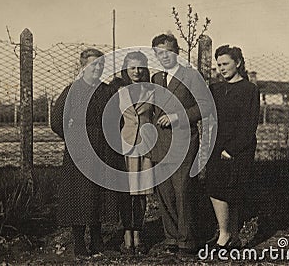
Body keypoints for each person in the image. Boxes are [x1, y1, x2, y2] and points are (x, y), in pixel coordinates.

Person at [51, 48, 124, 257]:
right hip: (80, 151)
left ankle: (97, 238)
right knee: (80, 194)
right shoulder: (72, 91)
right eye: (93, 65)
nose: (97, 69)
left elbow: (118, 120)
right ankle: (79, 242)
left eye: (100, 65)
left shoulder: (107, 91)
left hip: (103, 149)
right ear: (83, 67)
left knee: (99, 195)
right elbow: (57, 121)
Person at [150, 33, 211, 254]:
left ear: (177, 52)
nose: (164, 56)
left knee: (183, 191)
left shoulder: (191, 76)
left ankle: (187, 241)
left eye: (168, 51)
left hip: (184, 143)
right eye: (159, 53)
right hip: (160, 144)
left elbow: (205, 106)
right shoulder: (156, 78)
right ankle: (172, 238)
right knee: (165, 194)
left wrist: (177, 117)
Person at [206, 45, 260, 249]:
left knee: (232, 191)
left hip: (239, 148)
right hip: (217, 145)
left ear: (237, 63)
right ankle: (228, 234)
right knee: (215, 188)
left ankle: (229, 236)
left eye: (225, 64)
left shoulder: (250, 89)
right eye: (218, 64)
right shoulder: (216, 89)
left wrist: (232, 150)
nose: (221, 68)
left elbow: (250, 123)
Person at [111, 51, 155, 255]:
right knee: (125, 193)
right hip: (124, 147)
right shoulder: (118, 91)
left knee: (141, 194)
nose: (136, 72)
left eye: (140, 67)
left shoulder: (152, 90)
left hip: (145, 147)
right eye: (132, 68)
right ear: (126, 70)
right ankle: (126, 234)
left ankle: (138, 234)